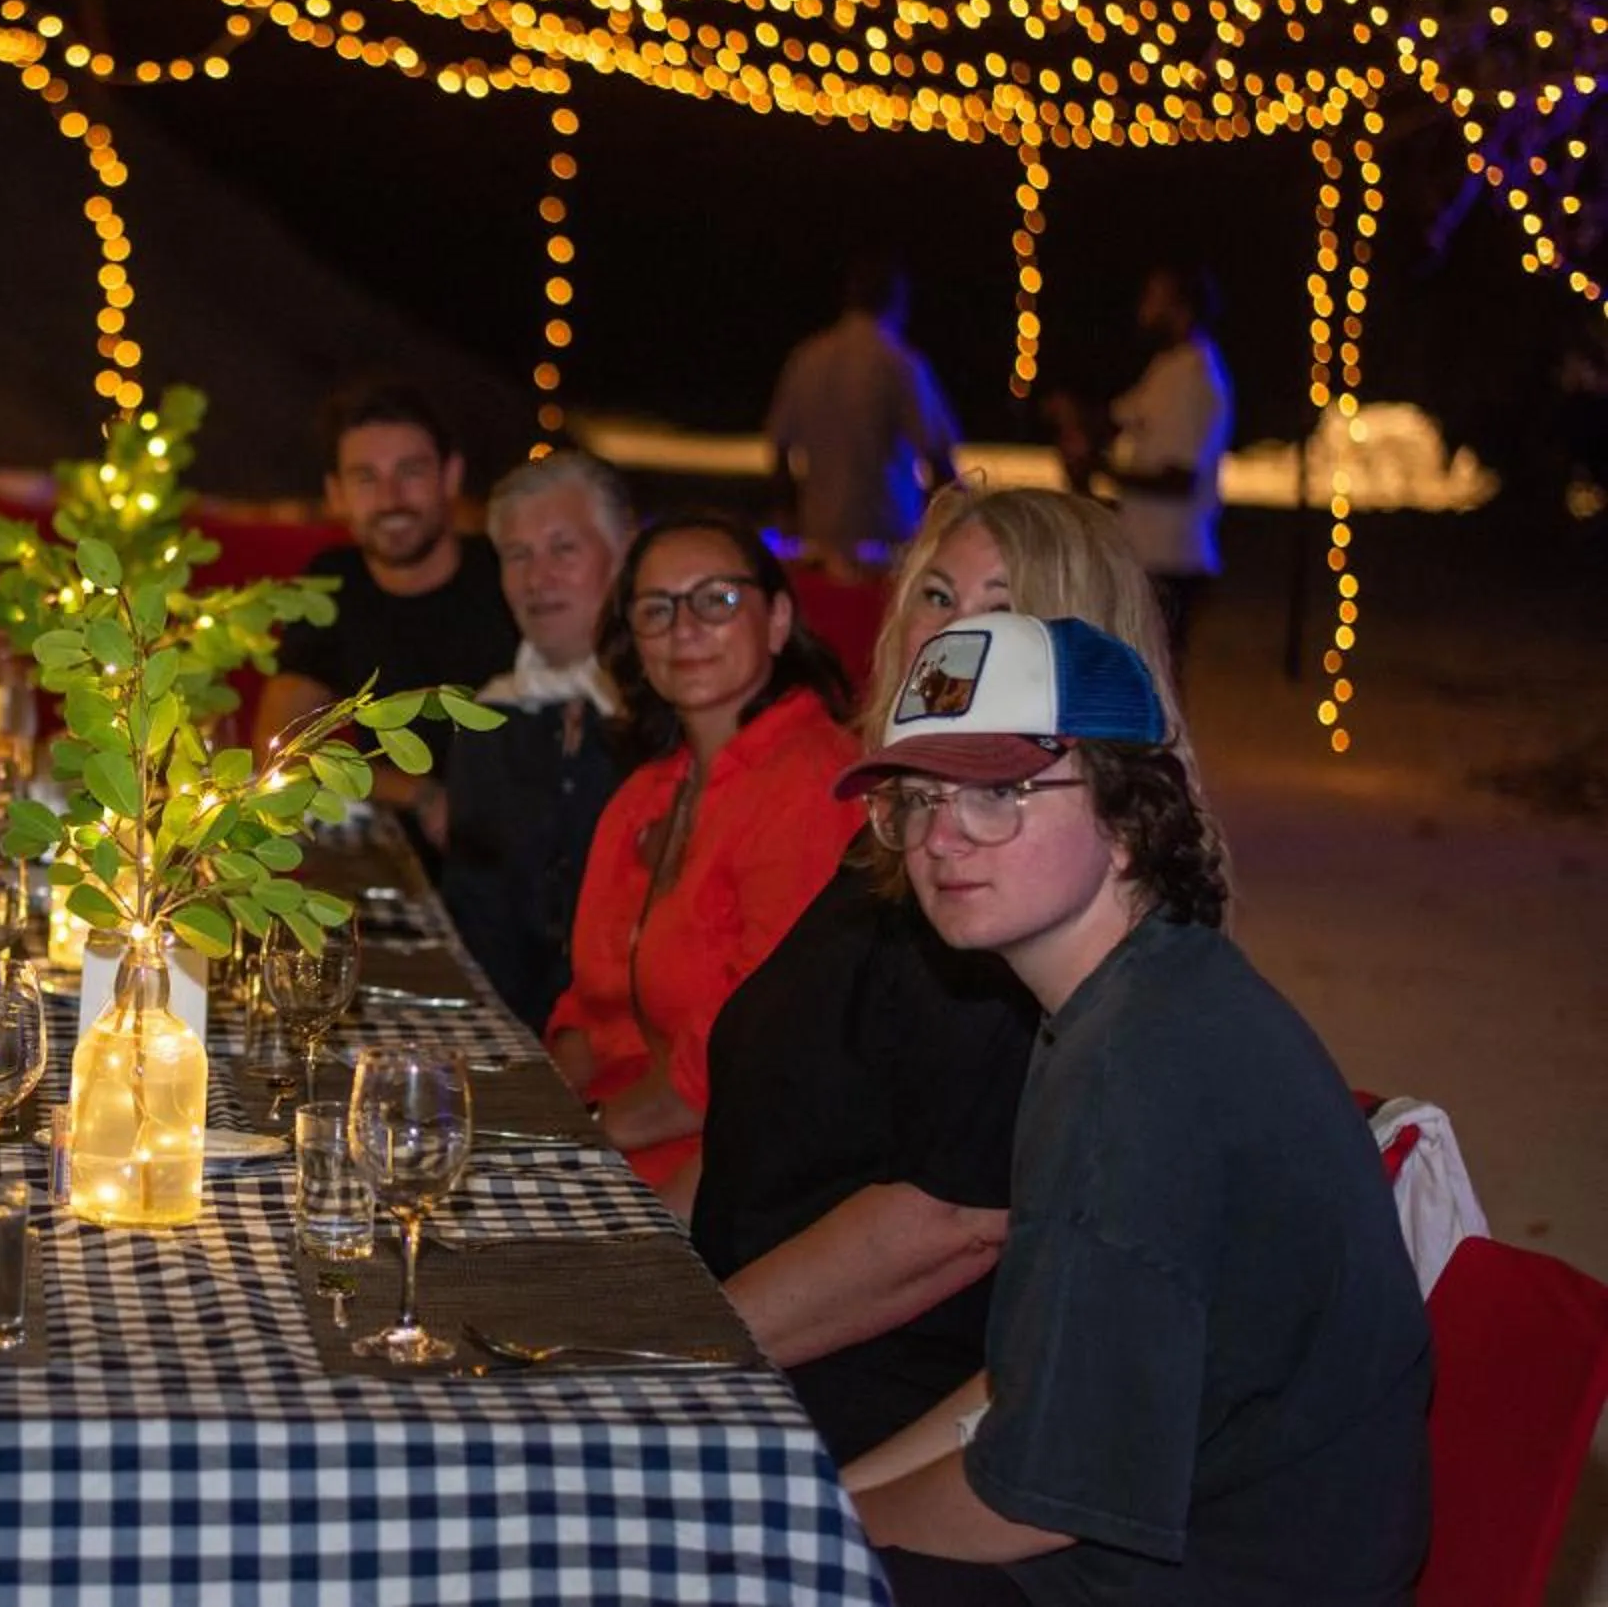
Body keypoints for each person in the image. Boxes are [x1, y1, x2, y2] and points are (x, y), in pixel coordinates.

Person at [834, 613, 1429, 1604]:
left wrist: (806, 1524)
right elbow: (1035, 1386)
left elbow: (1032, 1499)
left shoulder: (1134, 1075)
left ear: (1125, 820)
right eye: (920, 795)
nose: (942, 836)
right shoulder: (1142, 994)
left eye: (1000, 792)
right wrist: (832, 1490)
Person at [694, 486, 1176, 1463]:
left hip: (872, 1381)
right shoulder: (904, 843)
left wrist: (677, 1349)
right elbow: (759, 1125)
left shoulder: (1019, 897)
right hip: (758, 1322)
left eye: (1000, 606)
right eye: (936, 596)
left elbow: (956, 1221)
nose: (951, 634)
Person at [543, 515, 858, 1205]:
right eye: (657, 610)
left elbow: (758, 1061)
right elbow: (588, 1011)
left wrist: (581, 1136)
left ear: (777, 621)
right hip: (616, 1142)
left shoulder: (813, 784)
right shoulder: (646, 794)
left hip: (727, 1169)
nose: (684, 628)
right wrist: (534, 1126)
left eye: (716, 600)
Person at [253, 383, 519, 861]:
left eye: (410, 472)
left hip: (520, 858)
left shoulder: (512, 575)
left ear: (451, 476)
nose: (391, 498)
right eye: (365, 479)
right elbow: (280, 751)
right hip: (397, 861)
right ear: (336, 494)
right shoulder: (335, 582)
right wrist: (419, 794)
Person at [440, 449, 638, 1025]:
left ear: (623, 553)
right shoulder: (491, 718)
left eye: (563, 549)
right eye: (517, 555)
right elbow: (479, 928)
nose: (537, 578)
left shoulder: (671, 720)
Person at [1067, 265, 1231, 669]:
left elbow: (1179, 479)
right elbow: (1118, 417)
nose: (1142, 310)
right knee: (1139, 675)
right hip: (1147, 550)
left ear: (1181, 309)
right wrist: (1073, 418)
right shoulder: (1166, 369)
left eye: (1153, 299)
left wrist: (1101, 471)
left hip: (1173, 556)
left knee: (1154, 679)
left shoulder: (1196, 378)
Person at [767, 259, 962, 571]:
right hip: (888, 537)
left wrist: (788, 519)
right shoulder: (900, 363)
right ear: (898, 301)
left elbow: (780, 449)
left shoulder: (807, 358)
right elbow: (938, 455)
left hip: (819, 536)